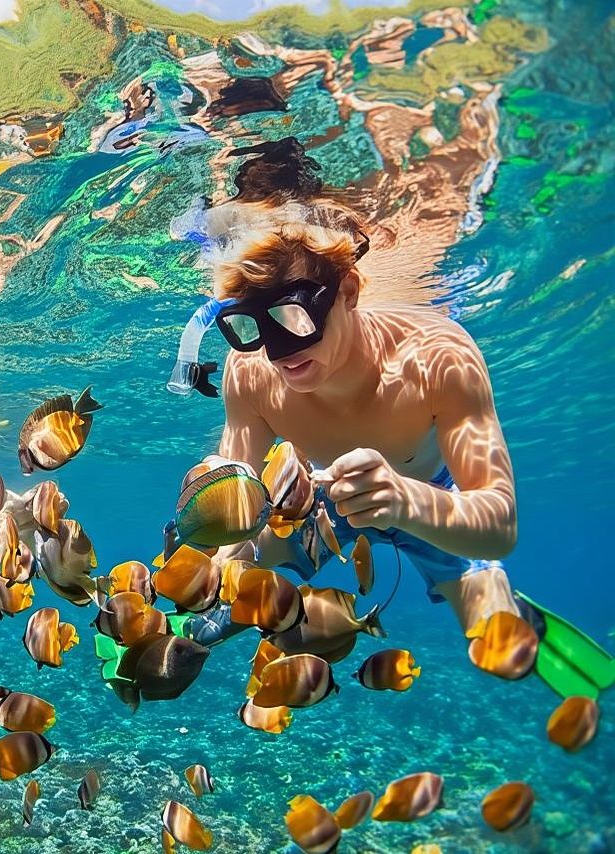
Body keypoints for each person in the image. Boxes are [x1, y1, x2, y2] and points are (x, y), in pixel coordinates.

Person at [168, 139, 612, 697]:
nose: (279, 350)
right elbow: (238, 505)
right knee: (254, 558)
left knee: (492, 642)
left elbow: (499, 523)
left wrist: (404, 501)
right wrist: (216, 559)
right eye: (249, 325)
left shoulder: (436, 355)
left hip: (431, 496)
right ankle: (243, 609)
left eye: (294, 316)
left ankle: (502, 605)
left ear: (348, 290)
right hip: (314, 496)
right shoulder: (249, 370)